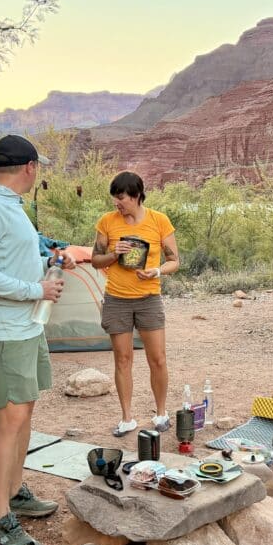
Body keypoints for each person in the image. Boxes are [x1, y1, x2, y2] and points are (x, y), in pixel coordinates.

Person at [0, 134, 76, 545]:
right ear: (29, 167)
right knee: (11, 419)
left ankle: (14, 492)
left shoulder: (8, 205)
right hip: (6, 329)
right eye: (38, 167)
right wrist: (36, 291)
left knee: (24, 413)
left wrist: (49, 262)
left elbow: (11, 259)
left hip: (26, 326)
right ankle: (0, 514)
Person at [90, 171, 180, 437]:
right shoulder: (107, 222)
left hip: (148, 299)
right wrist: (113, 255)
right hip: (117, 299)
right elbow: (95, 259)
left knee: (158, 359)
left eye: (121, 199)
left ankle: (161, 413)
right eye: (115, 199)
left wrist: (157, 272)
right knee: (123, 359)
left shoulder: (159, 221)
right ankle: (127, 418)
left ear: (137, 195)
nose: (117, 204)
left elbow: (175, 260)